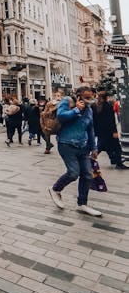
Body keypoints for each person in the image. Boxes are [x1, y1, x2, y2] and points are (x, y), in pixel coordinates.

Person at [48, 86, 101, 217]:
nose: (90, 100)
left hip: (83, 146)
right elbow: (61, 117)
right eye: (87, 97)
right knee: (73, 173)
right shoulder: (67, 101)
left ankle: (82, 203)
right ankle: (55, 189)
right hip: (66, 144)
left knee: (87, 175)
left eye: (91, 97)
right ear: (78, 96)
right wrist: (76, 109)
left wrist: (94, 147)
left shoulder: (89, 110)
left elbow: (90, 129)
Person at [92, 91, 128, 169]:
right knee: (116, 147)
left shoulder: (94, 106)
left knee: (104, 146)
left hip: (101, 131)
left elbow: (93, 120)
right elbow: (111, 121)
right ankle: (118, 163)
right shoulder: (108, 106)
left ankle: (115, 161)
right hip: (109, 132)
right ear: (106, 98)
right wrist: (114, 132)